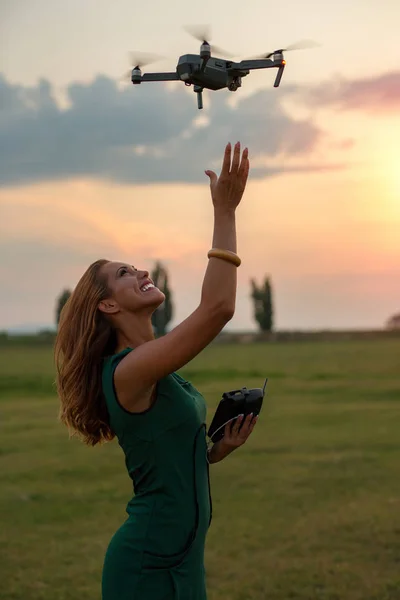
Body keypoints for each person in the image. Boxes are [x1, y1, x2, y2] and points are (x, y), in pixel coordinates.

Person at [55, 141, 258, 600]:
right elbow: (218, 308)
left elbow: (161, 463)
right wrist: (225, 211)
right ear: (108, 304)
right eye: (126, 273)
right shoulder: (128, 370)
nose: (142, 271)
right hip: (146, 566)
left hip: (182, 559)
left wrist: (212, 454)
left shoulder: (155, 366)